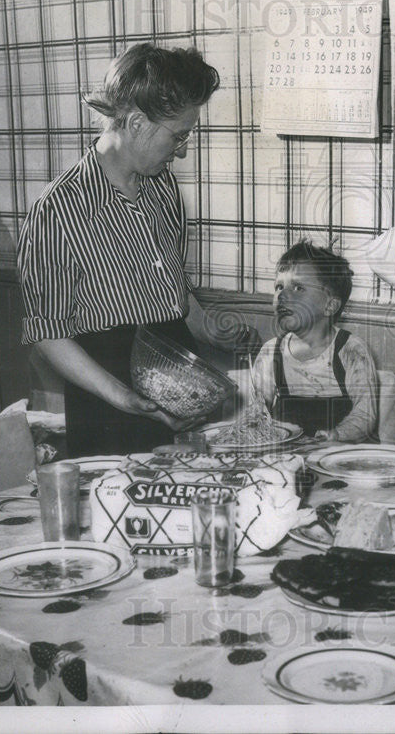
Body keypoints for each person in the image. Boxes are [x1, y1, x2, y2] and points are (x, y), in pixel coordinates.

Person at [18, 43, 255, 456]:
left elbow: (171, 291)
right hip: (105, 400)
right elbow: (47, 334)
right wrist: (123, 398)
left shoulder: (163, 187)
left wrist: (204, 324)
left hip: (179, 387)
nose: (182, 150)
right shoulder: (57, 209)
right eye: (178, 135)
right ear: (135, 122)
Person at [250, 241, 378, 442]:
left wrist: (335, 436)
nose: (282, 295)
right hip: (290, 456)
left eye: (298, 287)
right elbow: (257, 411)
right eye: (279, 286)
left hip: (342, 454)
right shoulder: (270, 352)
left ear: (330, 305)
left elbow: (365, 415)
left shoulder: (351, 350)